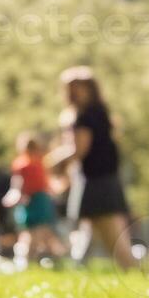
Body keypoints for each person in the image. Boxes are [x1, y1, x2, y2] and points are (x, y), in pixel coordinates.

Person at [50, 66, 135, 268]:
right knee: (90, 229)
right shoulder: (98, 113)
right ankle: (79, 269)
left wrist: (55, 162)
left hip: (98, 182)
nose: (75, 92)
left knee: (113, 235)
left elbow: (79, 149)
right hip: (99, 179)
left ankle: (133, 272)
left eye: (79, 87)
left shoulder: (86, 116)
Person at [3, 132, 67, 262]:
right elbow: (18, 186)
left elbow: (19, 186)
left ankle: (35, 259)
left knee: (37, 233)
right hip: (34, 201)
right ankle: (28, 259)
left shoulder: (33, 163)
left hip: (37, 201)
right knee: (35, 233)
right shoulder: (31, 164)